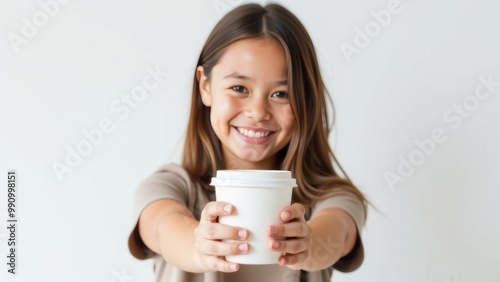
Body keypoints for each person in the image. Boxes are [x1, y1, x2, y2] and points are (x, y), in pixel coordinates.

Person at [128, 3, 368, 282]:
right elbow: (162, 228)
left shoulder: (330, 198)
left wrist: (308, 245)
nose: (257, 112)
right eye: (239, 88)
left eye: (281, 94)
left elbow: (337, 232)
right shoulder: (171, 187)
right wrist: (199, 247)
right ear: (205, 86)